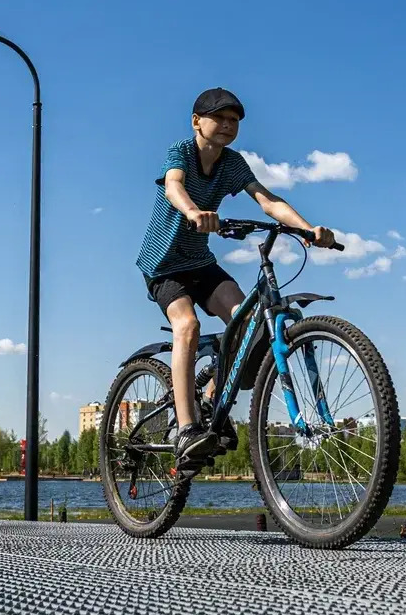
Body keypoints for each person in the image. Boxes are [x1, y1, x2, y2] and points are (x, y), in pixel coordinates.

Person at [135, 88, 335, 470]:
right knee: (188, 326)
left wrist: (310, 230)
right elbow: (174, 185)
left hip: (199, 262)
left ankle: (212, 401)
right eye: (219, 118)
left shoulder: (232, 163)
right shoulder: (182, 152)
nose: (228, 125)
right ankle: (187, 427)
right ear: (197, 121)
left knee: (246, 322)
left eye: (235, 121)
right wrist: (195, 211)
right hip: (163, 266)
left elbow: (267, 199)